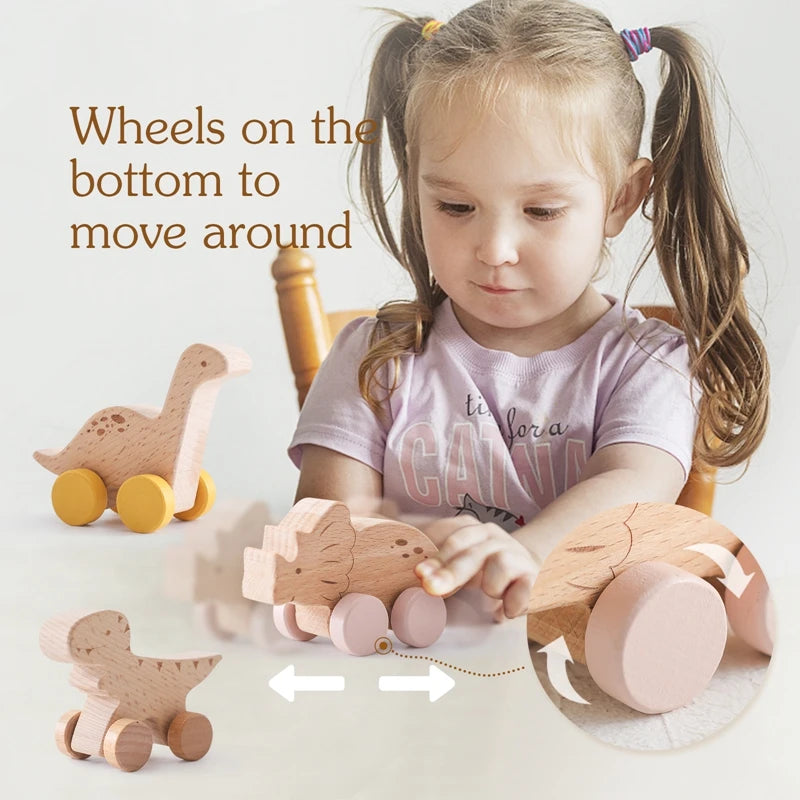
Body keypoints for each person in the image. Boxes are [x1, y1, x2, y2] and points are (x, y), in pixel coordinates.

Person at [287, 0, 770, 620]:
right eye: (455, 207)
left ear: (622, 199)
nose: (494, 249)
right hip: (401, 667)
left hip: (562, 676)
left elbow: (633, 487)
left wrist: (529, 553)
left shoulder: (648, 366)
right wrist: (397, 548)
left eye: (541, 211)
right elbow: (326, 531)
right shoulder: (374, 358)